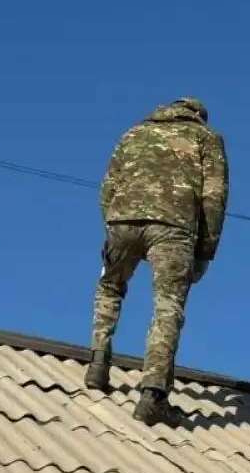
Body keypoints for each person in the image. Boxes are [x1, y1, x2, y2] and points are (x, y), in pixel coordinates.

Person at [85, 97, 229, 426]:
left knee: (110, 286)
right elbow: (214, 198)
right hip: (173, 228)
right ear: (199, 116)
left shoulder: (133, 134)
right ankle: (153, 396)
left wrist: (114, 224)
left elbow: (108, 187)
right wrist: (205, 251)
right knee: (168, 305)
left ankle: (98, 363)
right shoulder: (207, 138)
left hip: (122, 220)